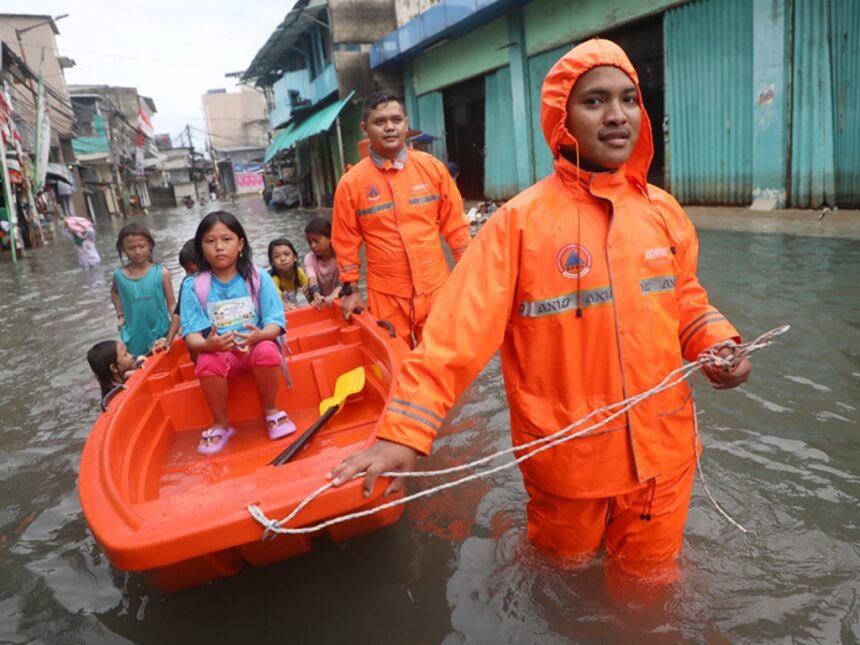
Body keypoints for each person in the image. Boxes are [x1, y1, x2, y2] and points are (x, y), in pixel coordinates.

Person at [330, 40, 752, 582]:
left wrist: (716, 343)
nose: (618, 115)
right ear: (561, 116)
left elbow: (685, 298)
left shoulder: (663, 212)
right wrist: (403, 433)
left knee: (649, 591)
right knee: (563, 583)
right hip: (568, 461)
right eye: (595, 101)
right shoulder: (519, 225)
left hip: (665, 454)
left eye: (628, 99)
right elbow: (454, 338)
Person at [332, 91, 471, 348]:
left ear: (406, 124)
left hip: (436, 287)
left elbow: (457, 228)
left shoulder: (432, 169)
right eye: (379, 121)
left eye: (396, 119)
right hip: (386, 296)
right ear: (365, 128)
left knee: (442, 365)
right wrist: (350, 291)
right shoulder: (351, 184)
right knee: (400, 372)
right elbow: (344, 240)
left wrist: (470, 278)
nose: (389, 127)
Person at [180, 210, 297, 455]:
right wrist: (208, 345)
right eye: (210, 241)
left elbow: (275, 322)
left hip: (254, 346)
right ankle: (221, 424)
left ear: (240, 244)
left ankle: (271, 411)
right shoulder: (194, 286)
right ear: (201, 248)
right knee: (206, 360)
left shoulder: (258, 277)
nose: (219, 247)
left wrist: (260, 336)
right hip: (222, 354)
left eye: (226, 239)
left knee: (267, 350)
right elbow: (191, 335)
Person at [111, 223, 175, 357]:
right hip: (134, 335)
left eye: (142, 246)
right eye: (131, 248)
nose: (137, 251)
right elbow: (114, 292)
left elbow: (171, 303)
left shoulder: (162, 273)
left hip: (161, 332)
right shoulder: (119, 276)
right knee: (139, 364)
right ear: (123, 249)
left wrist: (177, 328)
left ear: (150, 246)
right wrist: (120, 315)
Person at [165, 239, 200, 349]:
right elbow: (178, 312)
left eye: (191, 270)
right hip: (198, 333)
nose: (188, 274)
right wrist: (169, 340)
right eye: (186, 270)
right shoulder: (187, 283)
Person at [304, 217, 341, 310]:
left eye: (316, 241)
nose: (313, 246)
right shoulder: (309, 258)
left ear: (330, 237)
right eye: (309, 242)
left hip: (341, 294)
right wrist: (316, 294)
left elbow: (344, 279)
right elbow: (312, 279)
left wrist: (334, 294)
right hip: (321, 298)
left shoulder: (340, 254)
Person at [268, 238, 308, 311]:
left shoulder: (298, 272)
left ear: (295, 257)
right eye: (277, 256)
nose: (283, 259)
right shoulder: (273, 278)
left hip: (290, 305)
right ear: (272, 262)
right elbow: (276, 294)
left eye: (286, 254)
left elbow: (308, 291)